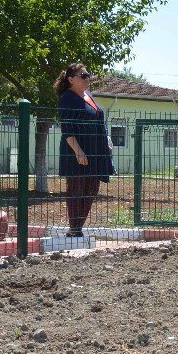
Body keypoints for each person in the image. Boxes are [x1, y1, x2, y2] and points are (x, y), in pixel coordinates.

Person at [55, 62, 115, 238]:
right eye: (83, 75)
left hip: (96, 151)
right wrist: (78, 151)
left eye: (88, 74)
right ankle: (74, 229)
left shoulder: (88, 95)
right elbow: (67, 128)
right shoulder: (67, 98)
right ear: (71, 79)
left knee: (91, 190)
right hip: (77, 153)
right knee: (76, 190)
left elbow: (98, 121)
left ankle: (77, 227)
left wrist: (107, 140)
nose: (87, 78)